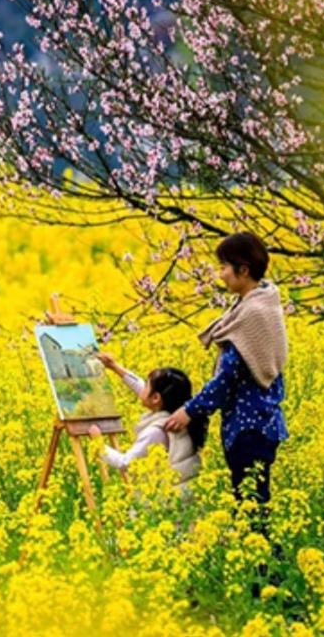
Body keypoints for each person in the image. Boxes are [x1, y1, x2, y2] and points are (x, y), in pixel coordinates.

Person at [164, 231, 288, 596]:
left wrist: (190, 410)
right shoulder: (265, 303)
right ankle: (265, 581)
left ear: (242, 269)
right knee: (254, 506)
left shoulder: (251, 315)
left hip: (250, 430)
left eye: (224, 267)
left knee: (252, 510)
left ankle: (267, 586)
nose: (220, 274)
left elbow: (227, 379)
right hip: (262, 426)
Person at [87, 353, 208, 500]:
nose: (143, 388)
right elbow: (144, 391)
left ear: (156, 398)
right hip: (185, 494)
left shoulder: (156, 431)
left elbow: (125, 462)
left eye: (147, 385)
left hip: (164, 501)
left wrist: (99, 443)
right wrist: (115, 367)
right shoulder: (180, 416)